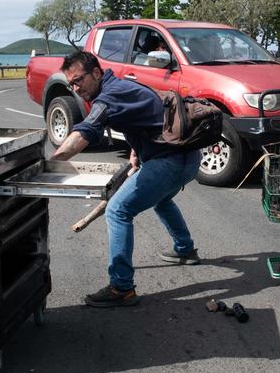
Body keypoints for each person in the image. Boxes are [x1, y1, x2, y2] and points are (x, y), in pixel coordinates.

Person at [50, 51, 201, 308]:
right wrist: (136, 151)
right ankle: (185, 249)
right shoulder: (124, 85)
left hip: (169, 162)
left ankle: (121, 287)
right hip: (189, 158)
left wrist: (50, 163)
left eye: (79, 80)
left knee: (117, 210)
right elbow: (147, 116)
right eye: (71, 84)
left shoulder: (108, 97)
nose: (76, 88)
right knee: (162, 200)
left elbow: (83, 134)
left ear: (96, 73)